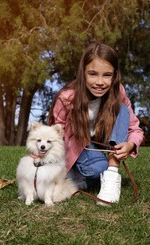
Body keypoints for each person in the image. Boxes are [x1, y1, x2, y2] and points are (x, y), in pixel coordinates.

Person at [48, 42, 144, 205]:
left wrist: (130, 144)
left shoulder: (118, 92)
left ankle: (111, 176)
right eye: (93, 74)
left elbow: (134, 128)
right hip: (76, 149)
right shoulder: (67, 98)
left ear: (114, 75)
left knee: (122, 109)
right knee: (98, 169)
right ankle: (75, 179)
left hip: (99, 147)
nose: (100, 82)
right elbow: (53, 134)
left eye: (107, 75)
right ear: (83, 73)